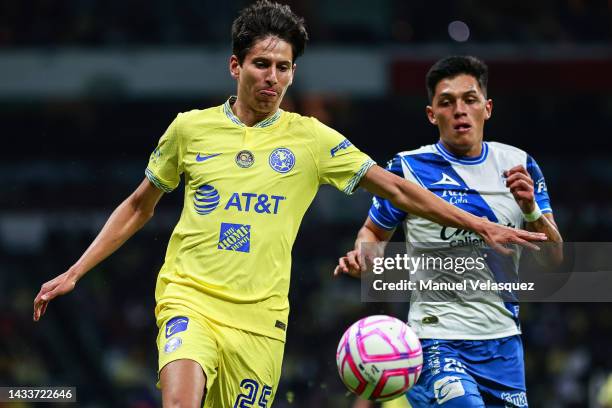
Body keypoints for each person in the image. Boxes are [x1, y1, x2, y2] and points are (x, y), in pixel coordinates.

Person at [32, 4, 545, 406]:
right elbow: (138, 205)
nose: (272, 77)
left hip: (262, 320)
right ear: (236, 65)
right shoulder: (189, 129)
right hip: (190, 298)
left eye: (283, 67)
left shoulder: (313, 140)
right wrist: (76, 271)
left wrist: (481, 225)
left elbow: (397, 189)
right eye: (261, 64)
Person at [336, 56, 563, 407]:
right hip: (435, 339)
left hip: (503, 344)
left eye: (469, 100)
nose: (460, 110)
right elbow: (372, 235)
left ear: (487, 108)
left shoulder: (519, 164)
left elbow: (554, 259)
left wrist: (531, 209)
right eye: (447, 102)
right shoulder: (408, 168)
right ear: (432, 114)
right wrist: (364, 259)